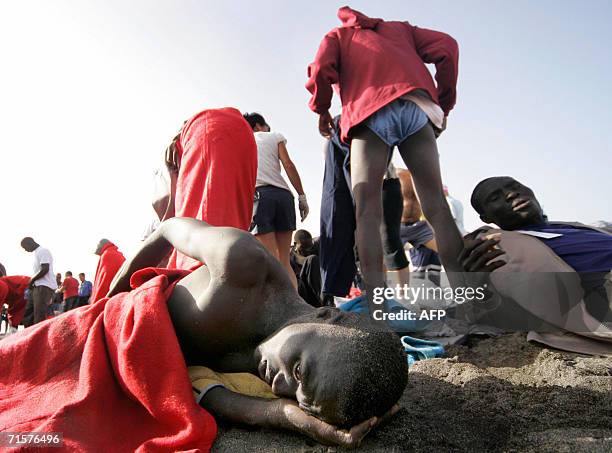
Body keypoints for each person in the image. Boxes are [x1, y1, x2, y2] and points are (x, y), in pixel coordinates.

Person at [106, 217, 405, 446]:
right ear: (326, 315)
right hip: (114, 324)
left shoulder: (285, 361)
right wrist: (109, 296)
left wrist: (289, 417)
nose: (279, 389)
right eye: (300, 373)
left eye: (296, 399)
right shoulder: (238, 263)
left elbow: (201, 390)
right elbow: (168, 228)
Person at [306, 6, 463, 314]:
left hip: (368, 111)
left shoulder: (337, 36)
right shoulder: (401, 29)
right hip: (416, 104)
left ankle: (377, 309)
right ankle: (469, 299)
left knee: (366, 211)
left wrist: (321, 108)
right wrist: (443, 102)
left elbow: (321, 66)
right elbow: (447, 45)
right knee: (437, 208)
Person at [464, 176, 612, 322]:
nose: (511, 194)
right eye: (495, 198)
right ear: (486, 218)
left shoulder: (577, 227)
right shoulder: (502, 245)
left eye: (515, 187)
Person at [162, 108, 258, 270]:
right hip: (240, 131)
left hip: (197, 131)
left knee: (199, 253)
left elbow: (170, 219)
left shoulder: (176, 153)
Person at [243, 112, 309, 288]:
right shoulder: (274, 136)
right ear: (258, 125)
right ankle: (298, 307)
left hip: (260, 197)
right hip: (283, 196)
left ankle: (281, 312)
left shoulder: (242, 142)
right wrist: (301, 196)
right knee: (284, 261)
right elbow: (288, 164)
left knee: (271, 262)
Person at [20, 237, 57, 326]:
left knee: (39, 316)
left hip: (44, 287)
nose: (26, 250)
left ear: (30, 243)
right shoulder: (37, 253)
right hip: (37, 287)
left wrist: (32, 280)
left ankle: (38, 338)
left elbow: (45, 269)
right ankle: (29, 336)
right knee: (29, 314)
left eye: (25, 247)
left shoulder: (43, 251)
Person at [290, 230, 324, 307]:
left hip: (318, 293)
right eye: (304, 248)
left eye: (310, 248)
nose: (307, 251)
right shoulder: (290, 259)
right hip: (303, 296)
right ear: (295, 244)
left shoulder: (317, 249)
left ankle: (326, 302)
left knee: (313, 259)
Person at [90, 239, 126, 303]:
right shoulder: (115, 253)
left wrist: (97, 302)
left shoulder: (107, 255)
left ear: (102, 245)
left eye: (98, 245)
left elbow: (105, 282)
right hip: (122, 295)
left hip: (111, 299)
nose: (96, 247)